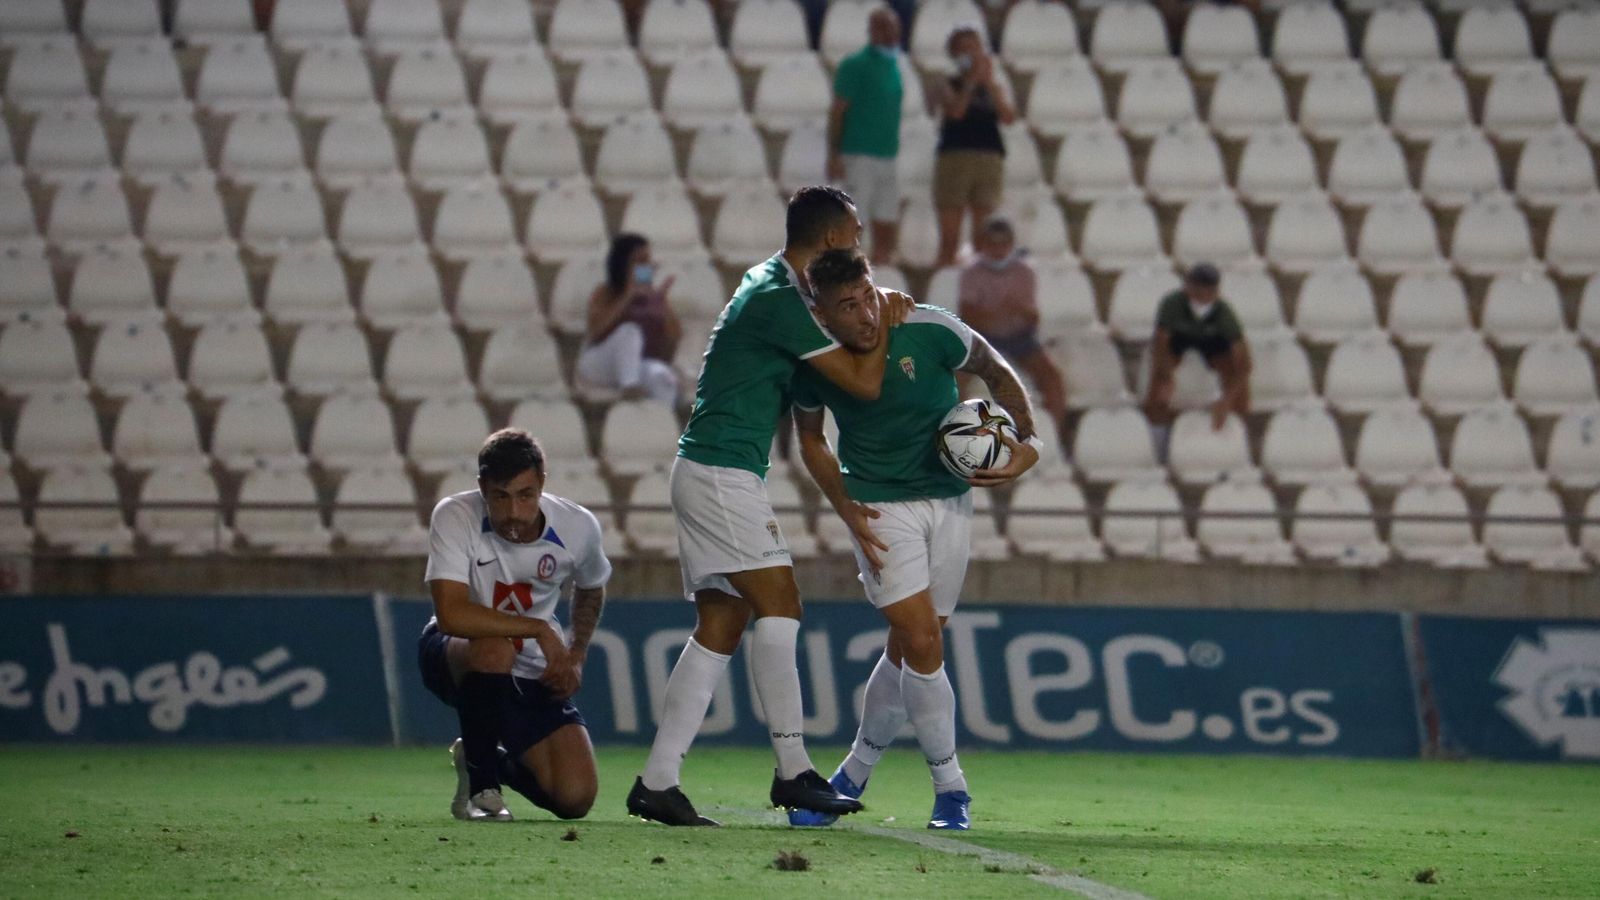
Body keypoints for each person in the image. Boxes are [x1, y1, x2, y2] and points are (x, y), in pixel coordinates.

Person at [626, 186, 914, 827]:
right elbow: (863, 383)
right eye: (856, 234)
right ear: (833, 238)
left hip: (715, 467)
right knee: (781, 604)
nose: (859, 245)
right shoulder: (779, 299)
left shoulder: (780, 290)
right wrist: (888, 324)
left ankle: (657, 782)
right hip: (720, 471)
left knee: (721, 623)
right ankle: (794, 771)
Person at [787, 247, 1042, 831]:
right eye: (847, 306)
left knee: (909, 647)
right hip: (879, 505)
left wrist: (1029, 444)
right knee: (923, 640)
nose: (866, 315)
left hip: (950, 501)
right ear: (822, 314)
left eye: (868, 296)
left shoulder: (927, 326)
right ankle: (952, 789)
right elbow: (811, 438)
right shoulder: (814, 361)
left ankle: (851, 775)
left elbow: (994, 367)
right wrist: (846, 508)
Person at [419, 428, 608, 822]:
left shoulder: (577, 526)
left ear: (542, 483)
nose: (514, 513)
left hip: (529, 665)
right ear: (482, 487)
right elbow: (452, 614)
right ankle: (482, 792)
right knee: (494, 647)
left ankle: (480, 753)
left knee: (574, 798)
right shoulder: (454, 515)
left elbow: (591, 587)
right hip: (454, 653)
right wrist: (539, 629)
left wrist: (576, 654)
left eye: (525, 496)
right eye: (500, 497)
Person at [957, 214, 1068, 447]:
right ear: (983, 244)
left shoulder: (1024, 272)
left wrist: (1016, 310)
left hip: (1019, 337)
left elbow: (1033, 318)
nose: (998, 250)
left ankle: (1054, 439)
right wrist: (995, 314)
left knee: (1052, 378)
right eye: (992, 244)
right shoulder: (971, 272)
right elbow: (967, 314)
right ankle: (957, 437)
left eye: (1003, 244)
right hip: (984, 337)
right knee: (955, 380)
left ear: (1011, 244)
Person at [1145, 263, 1252, 454]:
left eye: (1209, 290)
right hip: (1179, 340)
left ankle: (1236, 440)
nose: (1202, 295)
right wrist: (1166, 376)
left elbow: (1244, 362)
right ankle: (1157, 444)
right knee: (1158, 388)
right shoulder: (1172, 303)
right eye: (1197, 288)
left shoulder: (1224, 313)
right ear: (1188, 286)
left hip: (1211, 342)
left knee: (1240, 388)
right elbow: (1160, 344)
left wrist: (1227, 399)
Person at [932, 25, 1016, 267]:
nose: (972, 53)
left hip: (989, 157)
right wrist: (970, 82)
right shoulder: (947, 82)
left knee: (984, 238)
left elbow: (1008, 117)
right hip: (955, 158)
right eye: (964, 49)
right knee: (949, 240)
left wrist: (988, 83)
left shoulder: (994, 84)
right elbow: (956, 112)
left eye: (975, 47)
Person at [827, 5, 905, 265]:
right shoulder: (855, 65)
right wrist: (834, 154)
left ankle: (881, 271)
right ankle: (848, 272)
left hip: (888, 155)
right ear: (873, 31)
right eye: (885, 28)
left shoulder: (894, 65)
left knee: (887, 220)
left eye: (894, 28)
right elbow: (838, 110)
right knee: (854, 221)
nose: (892, 34)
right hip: (859, 153)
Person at [574, 233, 683, 407]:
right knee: (630, 331)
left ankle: (661, 421)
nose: (646, 266)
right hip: (599, 365)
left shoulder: (654, 298)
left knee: (663, 378)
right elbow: (595, 332)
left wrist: (662, 305)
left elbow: (673, 342)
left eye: (648, 260)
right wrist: (628, 295)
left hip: (636, 365)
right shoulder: (605, 292)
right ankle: (629, 388)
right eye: (640, 261)